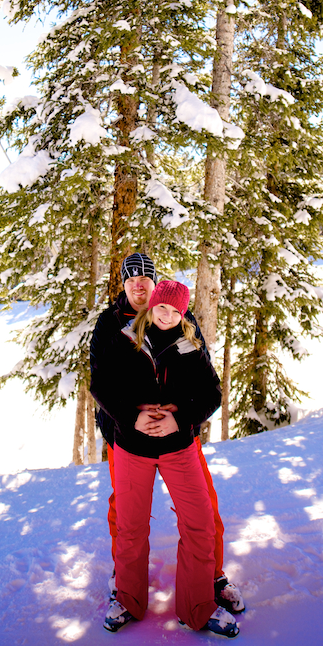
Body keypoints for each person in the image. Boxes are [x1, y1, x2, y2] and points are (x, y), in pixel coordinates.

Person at [90, 252, 245, 618]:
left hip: (179, 437)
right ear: (124, 283)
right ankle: (124, 579)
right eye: (132, 278)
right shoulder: (110, 325)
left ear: (155, 283)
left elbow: (205, 381)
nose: (139, 284)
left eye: (146, 278)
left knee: (203, 507)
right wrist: (128, 419)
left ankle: (211, 578)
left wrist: (181, 417)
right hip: (124, 435)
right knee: (125, 512)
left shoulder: (180, 317)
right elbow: (99, 380)